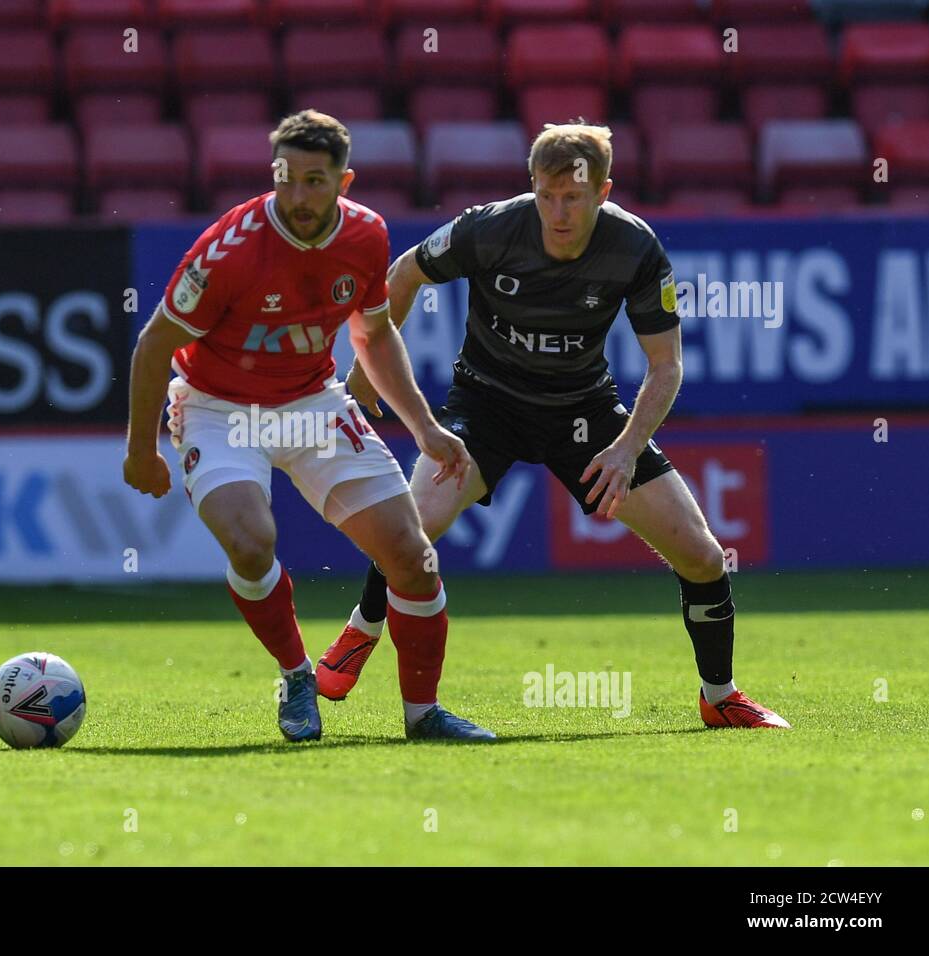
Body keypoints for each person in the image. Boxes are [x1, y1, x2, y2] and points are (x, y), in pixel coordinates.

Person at [318, 122, 790, 730]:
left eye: (573, 197)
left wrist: (625, 449)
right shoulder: (490, 227)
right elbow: (405, 273)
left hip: (583, 412)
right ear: (531, 187)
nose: (558, 212)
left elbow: (667, 366)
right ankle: (362, 630)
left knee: (703, 556)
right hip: (487, 404)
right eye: (546, 195)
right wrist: (364, 369)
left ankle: (720, 695)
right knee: (414, 527)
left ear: (603, 190)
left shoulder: (635, 247)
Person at [123, 110, 496, 742]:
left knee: (413, 560)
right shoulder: (231, 249)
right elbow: (154, 345)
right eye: (285, 179)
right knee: (250, 541)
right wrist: (141, 450)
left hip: (312, 404)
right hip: (217, 409)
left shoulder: (367, 237)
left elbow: (373, 334)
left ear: (344, 182)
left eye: (314, 181)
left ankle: (423, 715)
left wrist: (426, 428)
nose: (297, 196)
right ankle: (297, 676)